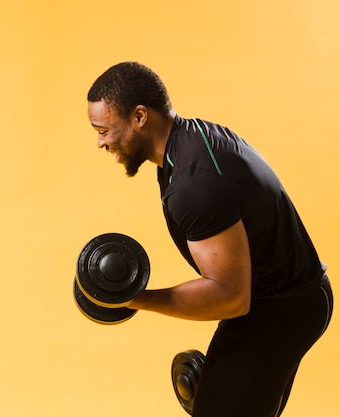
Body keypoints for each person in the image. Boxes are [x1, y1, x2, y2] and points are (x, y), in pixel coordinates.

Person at [86, 62, 333, 417]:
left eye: (104, 130)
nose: (100, 142)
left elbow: (231, 296)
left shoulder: (193, 183)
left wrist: (133, 299)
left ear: (140, 116)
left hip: (282, 309)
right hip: (287, 297)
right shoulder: (191, 139)